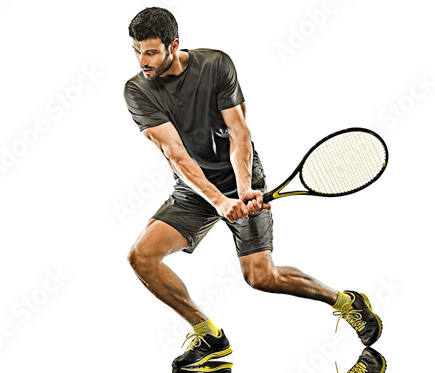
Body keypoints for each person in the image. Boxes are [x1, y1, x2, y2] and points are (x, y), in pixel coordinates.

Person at [123, 7, 382, 369]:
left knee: (262, 277)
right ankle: (209, 337)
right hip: (195, 189)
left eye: (150, 52)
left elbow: (239, 131)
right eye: (136, 50)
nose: (142, 60)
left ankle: (345, 302)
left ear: (174, 45)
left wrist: (243, 190)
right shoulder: (138, 89)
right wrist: (217, 201)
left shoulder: (215, 65)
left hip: (240, 179)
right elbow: (175, 154)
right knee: (142, 257)